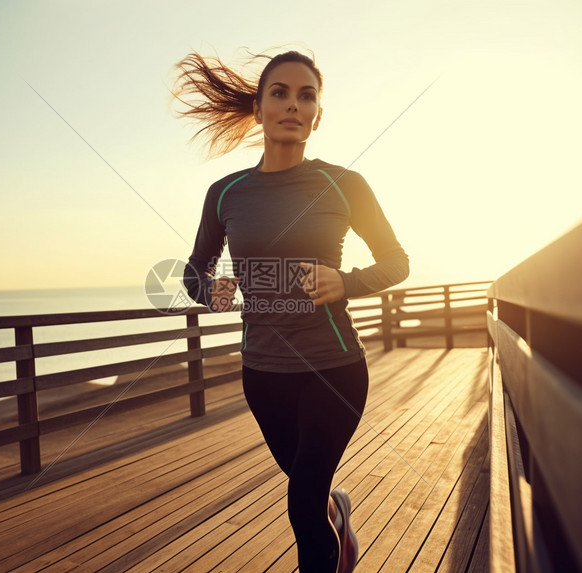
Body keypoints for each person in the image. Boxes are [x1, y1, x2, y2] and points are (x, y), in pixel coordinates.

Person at [175, 49, 409, 573]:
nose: (293, 105)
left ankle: (327, 539)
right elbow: (194, 272)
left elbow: (397, 262)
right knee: (309, 486)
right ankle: (339, 522)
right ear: (257, 110)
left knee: (301, 503)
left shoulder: (345, 184)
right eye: (279, 93)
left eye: (307, 96)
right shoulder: (226, 193)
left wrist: (346, 283)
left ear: (318, 116)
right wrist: (211, 289)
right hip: (263, 375)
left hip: (335, 369)